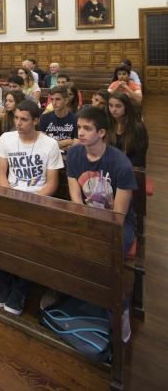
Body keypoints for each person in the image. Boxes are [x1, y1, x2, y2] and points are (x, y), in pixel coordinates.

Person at [67, 106, 138, 342]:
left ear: (102, 133)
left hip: (117, 225)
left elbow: (119, 214)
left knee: (106, 258)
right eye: (79, 128)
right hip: (87, 216)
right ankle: (75, 302)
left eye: (87, 129)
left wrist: (96, 228)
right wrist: (81, 215)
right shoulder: (76, 154)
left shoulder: (120, 164)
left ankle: (119, 311)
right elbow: (74, 191)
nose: (81, 133)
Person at [0, 100, 63, 314]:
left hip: (37, 201)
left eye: (24, 119)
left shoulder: (49, 144)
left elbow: (52, 183)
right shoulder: (6, 138)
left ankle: (20, 288)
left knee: (27, 241)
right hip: (11, 198)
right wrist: (9, 195)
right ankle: (4, 282)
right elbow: (1, 174)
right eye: (16, 118)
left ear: (36, 120)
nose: (18, 123)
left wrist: (31, 201)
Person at [107, 92, 148, 167]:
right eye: (110, 105)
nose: (113, 109)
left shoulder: (138, 127)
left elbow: (139, 159)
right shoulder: (108, 123)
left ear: (126, 107)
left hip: (129, 168)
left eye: (118, 106)